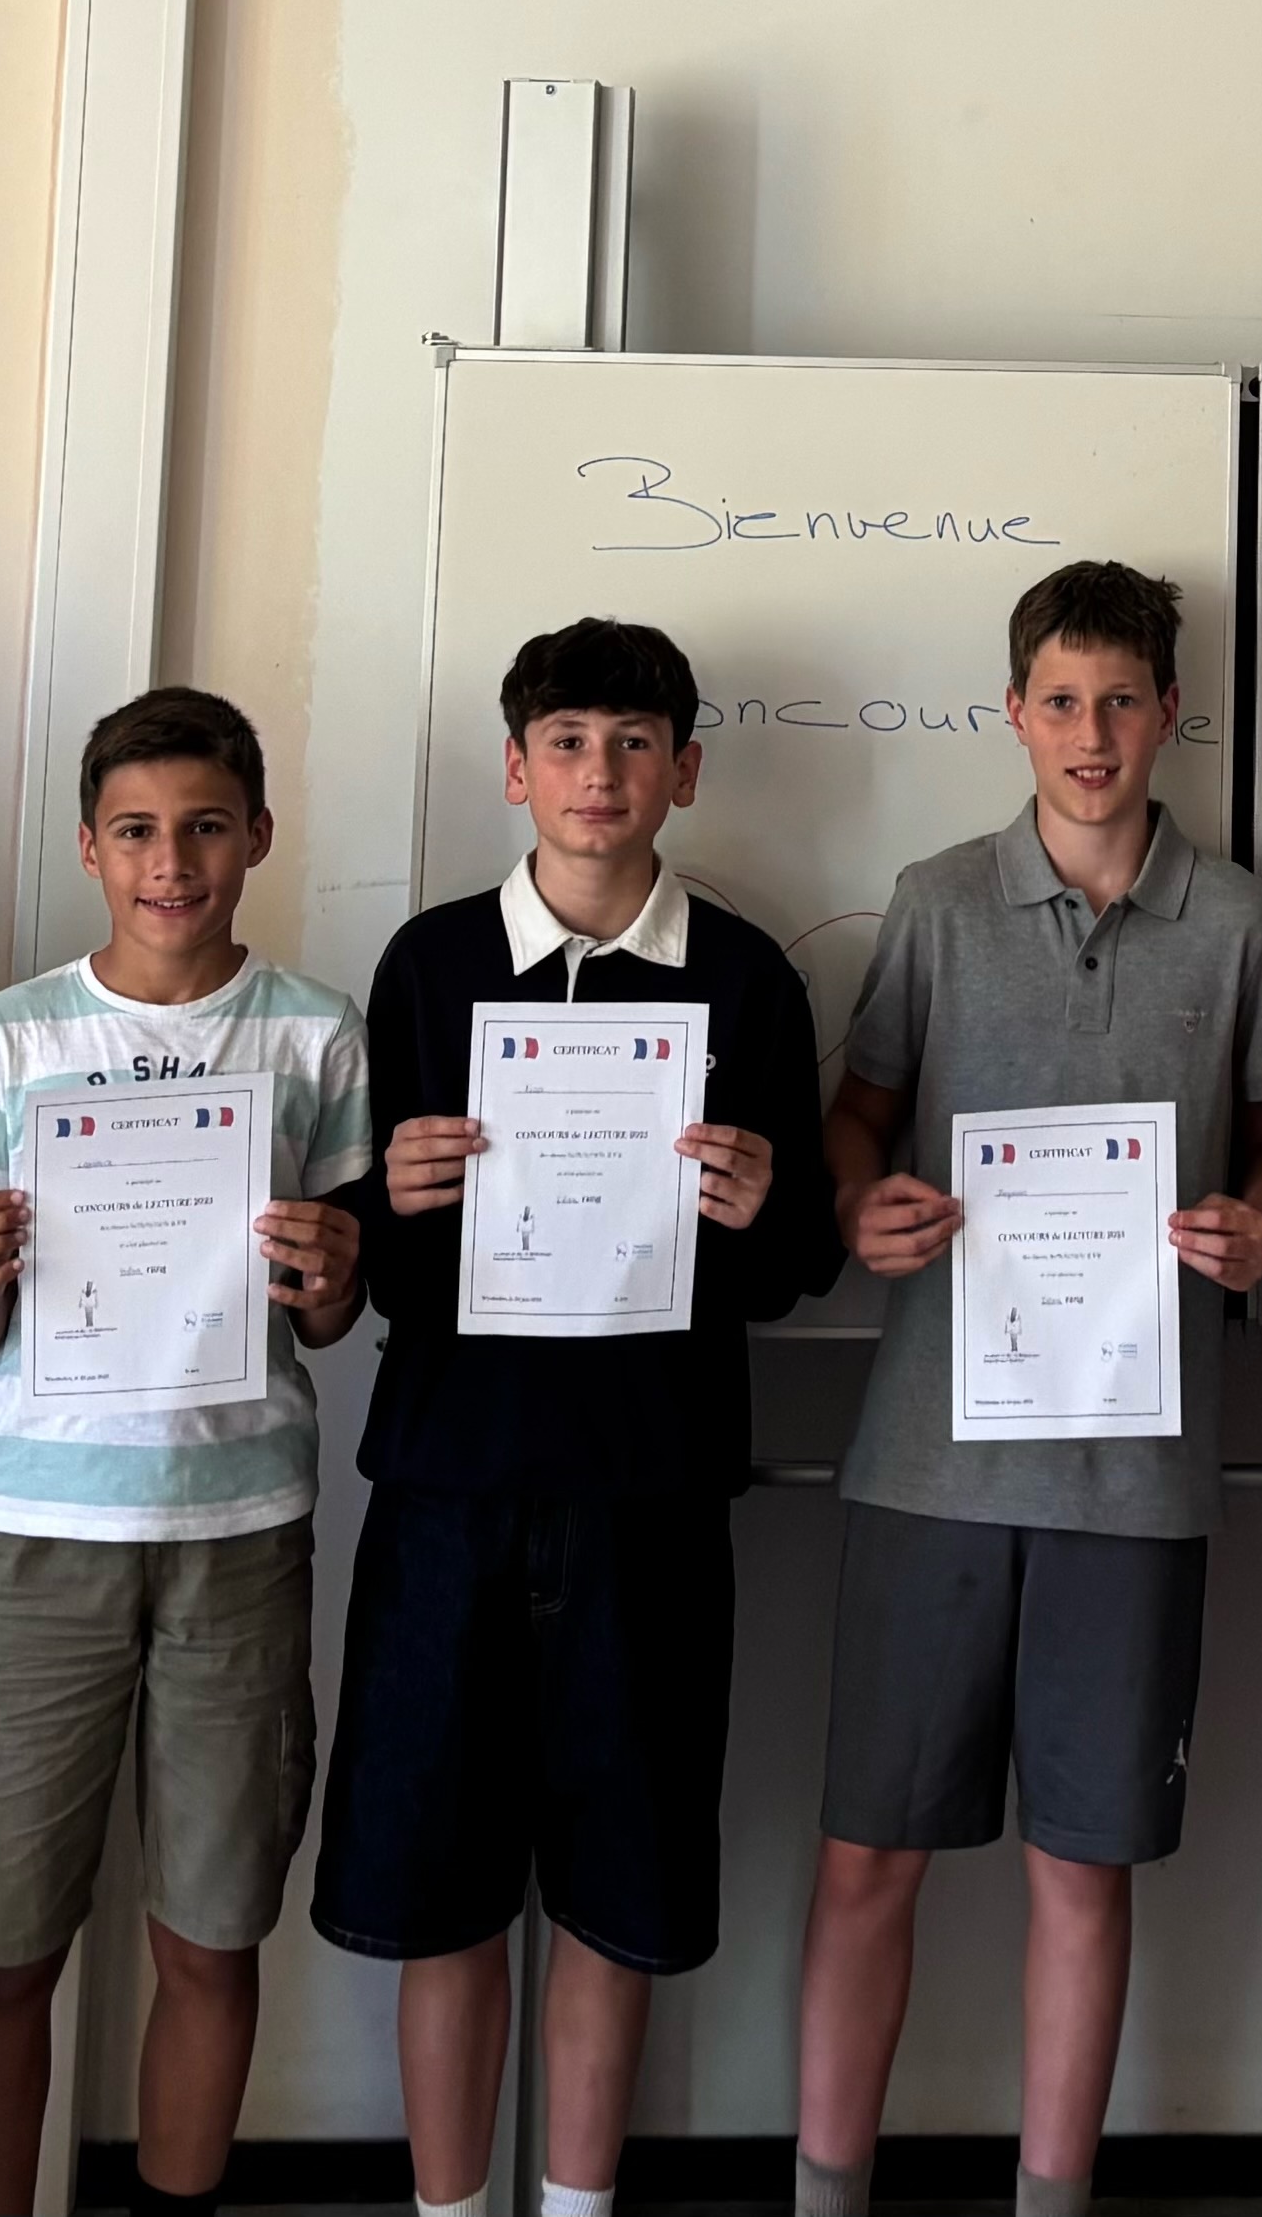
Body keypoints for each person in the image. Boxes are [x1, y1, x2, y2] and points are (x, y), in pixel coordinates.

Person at [314, 619, 841, 2217]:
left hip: (648, 1499)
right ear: (513, 768)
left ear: (685, 771)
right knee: (440, 1892)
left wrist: (761, 1206)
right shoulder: (428, 965)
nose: (597, 772)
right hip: (450, 1487)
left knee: (618, 1893)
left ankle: (579, 2205)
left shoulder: (745, 978)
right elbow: (374, 1263)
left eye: (631, 742)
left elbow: (794, 1269)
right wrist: (394, 1199)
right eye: (564, 741)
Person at [791, 563, 1262, 2217]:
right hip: (928, 1465)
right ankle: (825, 2190)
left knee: (1084, 1871)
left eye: (1122, 702)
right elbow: (860, 1113)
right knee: (868, 1857)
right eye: (1061, 702)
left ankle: (1053, 2196)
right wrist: (856, 1203)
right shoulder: (937, 900)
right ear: (1012, 713)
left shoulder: (1239, 920)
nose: (1092, 735)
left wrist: (1258, 1229)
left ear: (1169, 715)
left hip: (1133, 1480)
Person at [0, 688, 372, 2217]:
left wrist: (332, 1274)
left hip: (236, 1532)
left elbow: (330, 1316)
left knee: (212, 1933)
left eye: (202, 828)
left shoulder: (315, 1031)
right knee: (5, 1943)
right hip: (36, 1533)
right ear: (87, 848)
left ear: (259, 836)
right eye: (134, 831)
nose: (169, 862)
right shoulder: (10, 1033)